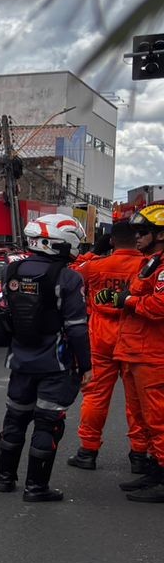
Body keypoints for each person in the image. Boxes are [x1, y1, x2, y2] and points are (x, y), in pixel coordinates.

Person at [0, 213, 91, 502]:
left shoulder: (10, 271)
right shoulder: (68, 277)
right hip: (55, 363)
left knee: (15, 418)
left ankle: (4, 479)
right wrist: (86, 366)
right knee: (48, 423)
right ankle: (36, 488)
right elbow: (76, 328)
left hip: (20, 360)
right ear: (60, 242)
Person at [67, 219, 148, 472]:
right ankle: (139, 454)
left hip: (101, 338)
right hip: (134, 336)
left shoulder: (96, 266)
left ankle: (88, 451)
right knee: (137, 401)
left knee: (95, 397)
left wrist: (94, 251)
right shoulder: (146, 267)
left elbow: (69, 272)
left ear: (111, 240)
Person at [115, 205, 164, 501]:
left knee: (158, 419)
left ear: (160, 234)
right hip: (135, 352)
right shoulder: (151, 263)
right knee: (143, 418)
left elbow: (159, 306)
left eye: (142, 232)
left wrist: (130, 300)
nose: (137, 237)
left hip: (152, 355)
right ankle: (156, 471)